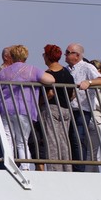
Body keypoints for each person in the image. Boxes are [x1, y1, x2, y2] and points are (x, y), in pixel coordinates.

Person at [0, 45, 55, 171]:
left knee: (8, 139)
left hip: (5, 109)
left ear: (12, 56)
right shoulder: (32, 70)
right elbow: (51, 79)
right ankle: (25, 167)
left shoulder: (3, 72)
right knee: (22, 140)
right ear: (25, 56)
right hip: (24, 109)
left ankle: (9, 165)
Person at [65, 42, 101, 171]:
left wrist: (88, 82)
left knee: (78, 138)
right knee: (70, 140)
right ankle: (72, 167)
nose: (65, 55)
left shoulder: (87, 67)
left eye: (68, 52)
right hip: (68, 108)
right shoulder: (66, 69)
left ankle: (79, 169)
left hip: (83, 109)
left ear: (77, 55)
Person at [38, 44, 74, 172]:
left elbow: (49, 94)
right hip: (66, 109)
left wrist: (39, 103)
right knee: (64, 142)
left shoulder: (47, 74)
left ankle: (55, 171)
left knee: (52, 142)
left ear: (48, 56)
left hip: (51, 109)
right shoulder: (67, 73)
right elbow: (72, 94)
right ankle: (67, 170)